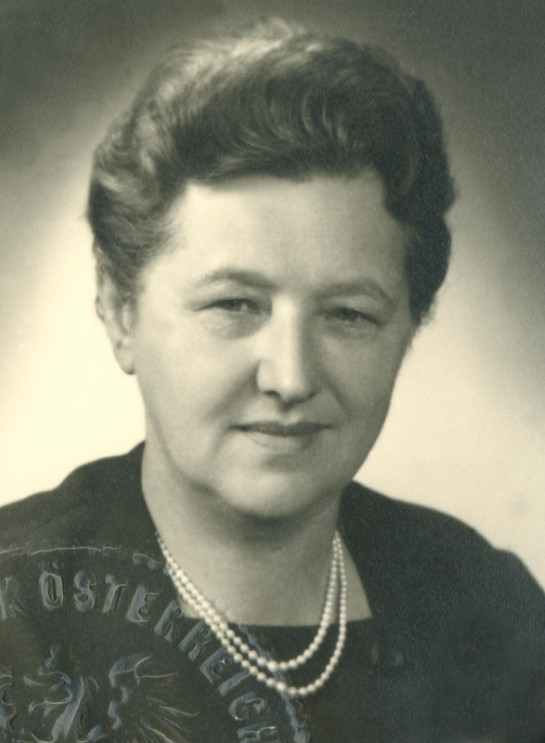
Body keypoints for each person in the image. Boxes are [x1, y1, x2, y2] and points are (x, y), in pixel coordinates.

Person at [0, 18, 544, 743]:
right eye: (234, 305)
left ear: (410, 325)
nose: (291, 377)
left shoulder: (486, 607)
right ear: (120, 309)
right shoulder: (16, 622)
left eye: (348, 314)